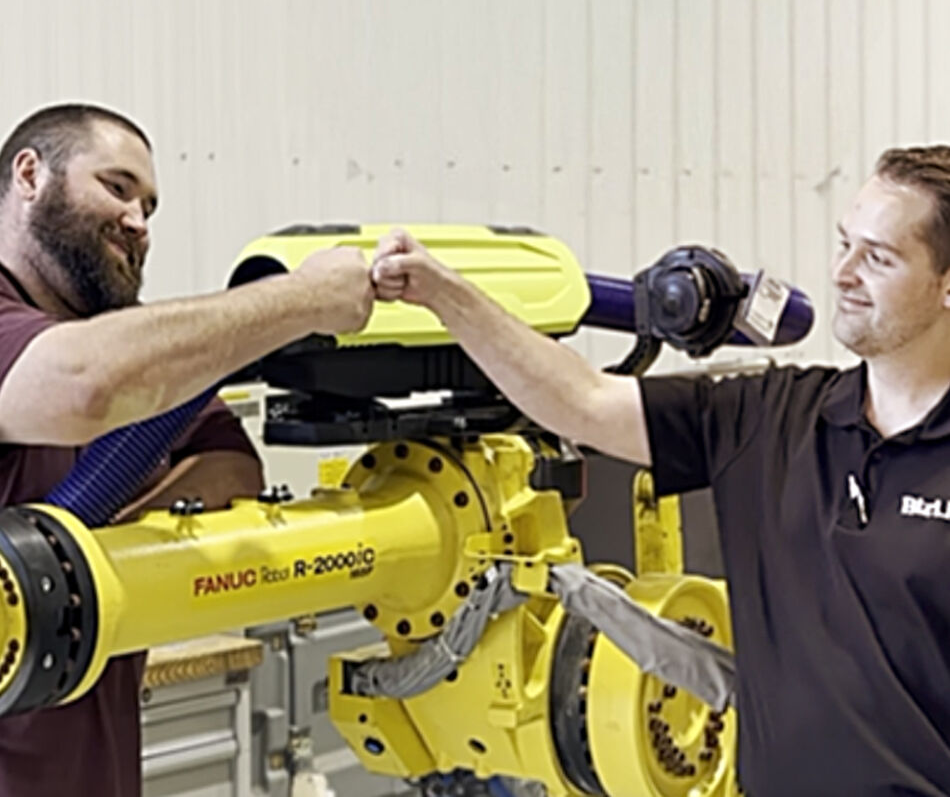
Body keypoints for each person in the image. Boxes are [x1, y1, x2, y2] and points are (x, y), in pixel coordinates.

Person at [371, 147, 950, 796]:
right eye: (844, 243)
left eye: (878, 257)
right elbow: (583, 401)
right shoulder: (768, 418)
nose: (842, 272)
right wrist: (447, 296)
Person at [0, 103, 375, 796]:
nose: (140, 220)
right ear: (30, 174)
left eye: (150, 205)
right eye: (117, 187)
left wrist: (92, 536)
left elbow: (234, 468)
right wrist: (300, 299)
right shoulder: (94, 359)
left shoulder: (138, 354)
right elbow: (79, 386)